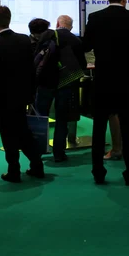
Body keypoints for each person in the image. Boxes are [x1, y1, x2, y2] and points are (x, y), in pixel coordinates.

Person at [83, 0, 129, 186]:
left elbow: (86, 46)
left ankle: (98, 171)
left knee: (99, 128)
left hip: (102, 81)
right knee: (128, 128)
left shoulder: (95, 17)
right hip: (127, 82)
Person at [0, 6, 44, 182]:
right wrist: (30, 94)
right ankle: (37, 165)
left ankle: (14, 171)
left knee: (8, 135)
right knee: (23, 132)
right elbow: (31, 70)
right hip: (21, 97)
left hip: (4, 99)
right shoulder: (24, 40)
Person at [34, 15, 87, 162]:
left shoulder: (47, 35)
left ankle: (38, 150)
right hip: (66, 83)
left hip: (45, 82)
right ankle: (59, 152)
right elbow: (81, 65)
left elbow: (37, 58)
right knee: (62, 118)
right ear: (70, 26)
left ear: (58, 23)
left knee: (41, 116)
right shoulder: (76, 40)